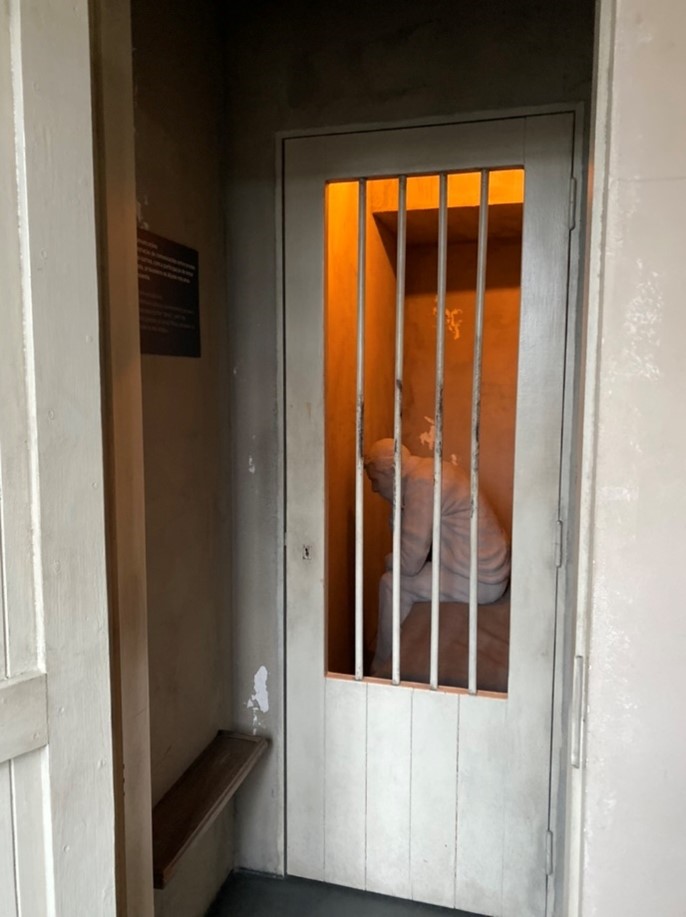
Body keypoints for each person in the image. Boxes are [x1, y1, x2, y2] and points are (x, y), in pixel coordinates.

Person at [363, 438, 510, 671]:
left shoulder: (421, 484)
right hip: (487, 570)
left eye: (375, 480)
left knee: (391, 584)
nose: (374, 489)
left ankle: (383, 667)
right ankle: (397, 657)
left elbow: (409, 563)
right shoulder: (430, 469)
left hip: (481, 582)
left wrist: (389, 560)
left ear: (391, 471)